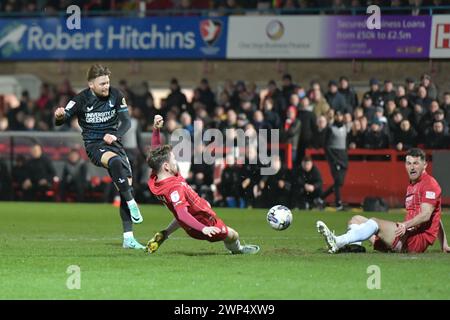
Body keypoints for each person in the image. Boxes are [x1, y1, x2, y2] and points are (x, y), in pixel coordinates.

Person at [54, 64, 145, 250]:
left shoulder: (116, 95)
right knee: (115, 162)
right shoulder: (80, 99)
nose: (106, 86)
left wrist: (116, 135)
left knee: (125, 185)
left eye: (108, 82)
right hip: (94, 146)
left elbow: (127, 121)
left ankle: (128, 238)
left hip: (114, 143)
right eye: (102, 83)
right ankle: (131, 202)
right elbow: (60, 120)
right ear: (91, 84)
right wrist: (59, 116)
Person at [145, 115, 260, 255]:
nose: (177, 162)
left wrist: (156, 130)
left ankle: (165, 234)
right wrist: (203, 229)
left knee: (180, 210)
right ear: (167, 166)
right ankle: (238, 250)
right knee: (233, 235)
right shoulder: (174, 188)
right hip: (203, 222)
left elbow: (156, 154)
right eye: (174, 160)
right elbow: (182, 215)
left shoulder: (156, 176)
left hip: (192, 217)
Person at [317, 148, 450, 254]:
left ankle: (338, 241)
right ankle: (353, 247)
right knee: (356, 219)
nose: (412, 167)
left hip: (414, 241)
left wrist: (405, 225)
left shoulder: (429, 184)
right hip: (404, 236)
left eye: (416, 163)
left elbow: (427, 215)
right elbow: (436, 217)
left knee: (375, 222)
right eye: (409, 163)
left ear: (425, 165)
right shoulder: (412, 185)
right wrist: (444, 244)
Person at [321, 110, 349, 210]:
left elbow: (346, 142)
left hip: (343, 156)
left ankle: (322, 197)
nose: (338, 117)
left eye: (340, 115)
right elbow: (326, 145)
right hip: (334, 156)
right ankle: (338, 203)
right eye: (336, 115)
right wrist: (332, 159)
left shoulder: (345, 128)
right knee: (338, 180)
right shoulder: (330, 128)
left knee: (340, 182)